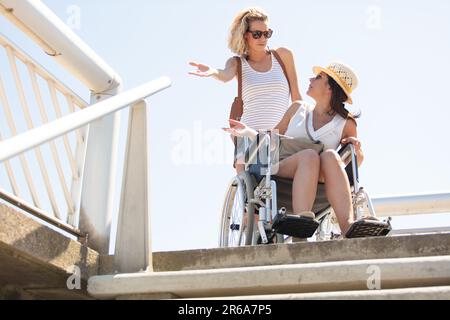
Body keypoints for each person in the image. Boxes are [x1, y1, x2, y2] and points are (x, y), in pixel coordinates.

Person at [224, 62, 390, 238]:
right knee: (309, 156)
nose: (311, 79)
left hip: (320, 180)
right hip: (284, 169)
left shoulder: (345, 123)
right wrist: (248, 133)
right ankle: (301, 222)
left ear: (330, 88)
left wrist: (356, 150)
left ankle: (347, 226)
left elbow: (355, 163)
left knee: (330, 156)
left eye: (319, 77)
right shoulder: (298, 108)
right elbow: (270, 140)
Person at [189, 7, 302, 173]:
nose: (263, 38)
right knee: (252, 188)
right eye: (257, 34)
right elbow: (225, 75)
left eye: (267, 33)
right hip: (249, 136)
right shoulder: (237, 63)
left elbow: (297, 98)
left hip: (281, 136)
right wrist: (213, 72)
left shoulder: (283, 56)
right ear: (245, 35)